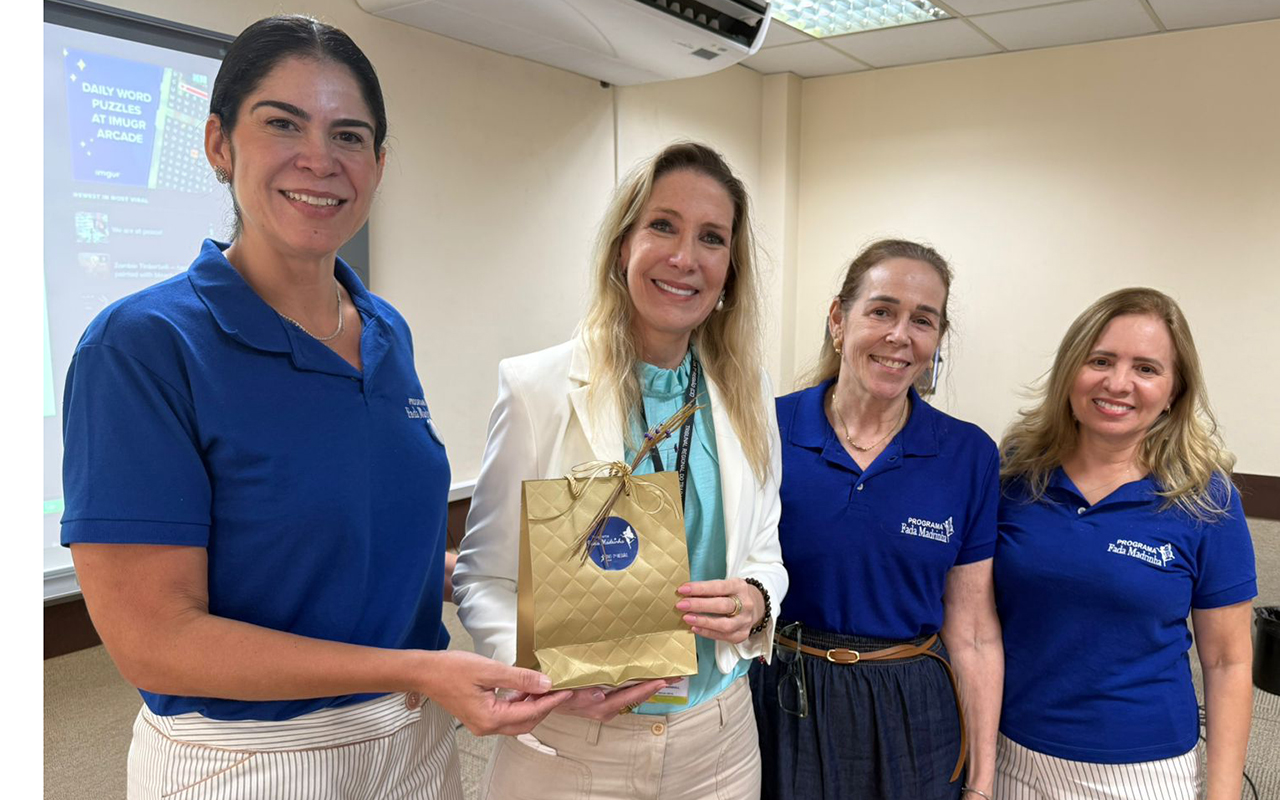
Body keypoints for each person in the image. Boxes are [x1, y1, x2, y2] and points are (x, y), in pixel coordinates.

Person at [60, 16, 568, 800]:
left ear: (379, 163)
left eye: (350, 135)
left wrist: (504, 581)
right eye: (283, 124)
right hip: (252, 757)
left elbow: (346, 544)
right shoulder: (141, 348)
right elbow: (156, 642)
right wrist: (415, 667)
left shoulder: (385, 331)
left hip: (414, 739)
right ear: (218, 144)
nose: (319, 160)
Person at [453, 142, 788, 799]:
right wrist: (545, 672)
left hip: (717, 741)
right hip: (575, 743)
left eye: (712, 238)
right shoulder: (538, 390)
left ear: (730, 272)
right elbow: (482, 577)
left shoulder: (750, 398)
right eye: (663, 225)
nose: (685, 258)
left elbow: (765, 554)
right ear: (621, 247)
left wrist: (756, 602)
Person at [750, 239, 1003, 800]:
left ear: (936, 341)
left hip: (913, 707)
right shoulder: (765, 430)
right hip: (784, 695)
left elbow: (976, 632)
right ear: (839, 320)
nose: (900, 336)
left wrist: (983, 784)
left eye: (923, 320)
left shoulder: (968, 455)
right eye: (882, 310)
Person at [995, 287, 1256, 800]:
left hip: (1140, 766)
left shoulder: (1205, 498)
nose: (1118, 383)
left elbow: (1228, 660)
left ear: (1175, 390)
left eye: (1146, 368)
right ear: (1071, 368)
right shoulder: (1014, 472)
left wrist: (1223, 793)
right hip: (1009, 751)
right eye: (1101, 360)